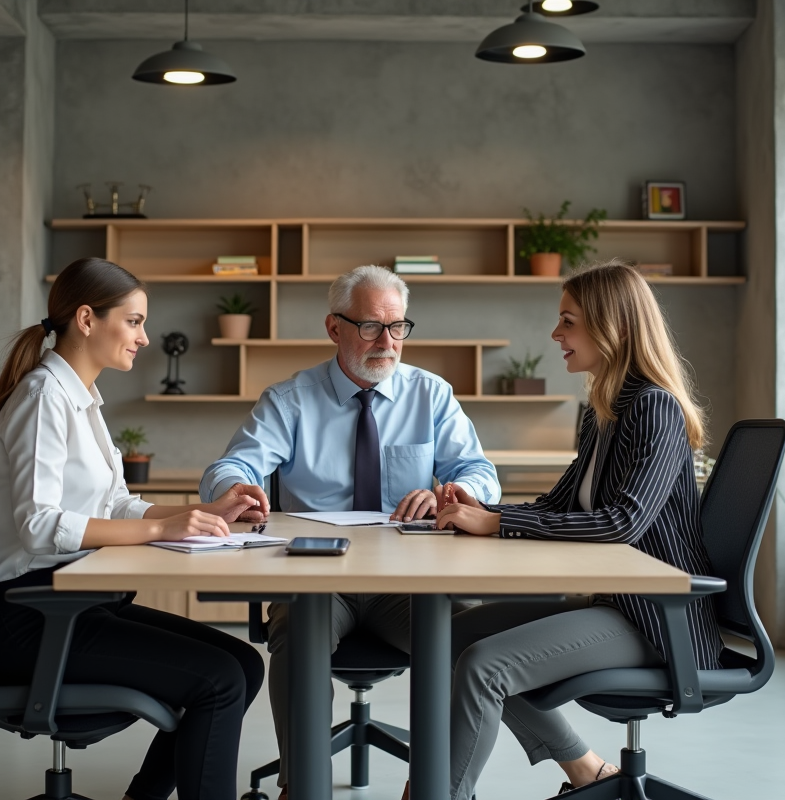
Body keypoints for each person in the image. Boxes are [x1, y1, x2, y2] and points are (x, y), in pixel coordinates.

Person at [0, 257, 269, 800]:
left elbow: (115, 503)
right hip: (31, 619)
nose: (144, 338)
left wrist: (200, 516)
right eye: (133, 322)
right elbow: (39, 527)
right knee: (220, 681)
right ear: (87, 319)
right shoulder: (44, 398)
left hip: (73, 602)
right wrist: (162, 532)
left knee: (244, 664)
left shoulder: (81, 399)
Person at [199, 265, 501, 798]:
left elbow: (481, 475)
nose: (387, 341)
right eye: (370, 327)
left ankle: (438, 788)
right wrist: (238, 489)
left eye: (398, 327)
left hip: (409, 582)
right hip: (320, 577)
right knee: (296, 631)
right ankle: (301, 785)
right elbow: (230, 468)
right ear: (334, 328)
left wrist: (453, 494)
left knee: (480, 645)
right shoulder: (290, 400)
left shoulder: (430, 395)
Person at [434, 260, 724, 800]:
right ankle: (581, 769)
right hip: (615, 602)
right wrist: (484, 510)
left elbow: (623, 522)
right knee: (452, 637)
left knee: (483, 665)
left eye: (567, 321)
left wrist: (498, 522)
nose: (555, 334)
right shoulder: (601, 410)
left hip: (658, 618)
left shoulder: (653, 408)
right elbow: (560, 503)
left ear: (609, 326)